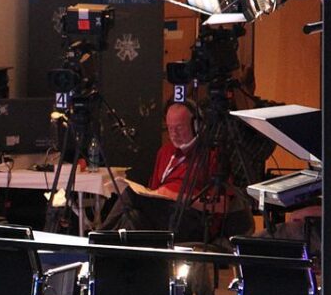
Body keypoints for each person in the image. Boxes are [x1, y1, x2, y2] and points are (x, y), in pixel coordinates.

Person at [100, 100, 253, 244]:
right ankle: (112, 258)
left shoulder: (212, 155)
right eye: (170, 128)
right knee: (131, 219)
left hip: (192, 220)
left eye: (179, 128)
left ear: (196, 125)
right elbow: (153, 190)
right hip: (163, 215)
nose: (174, 134)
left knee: (129, 195)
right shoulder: (165, 152)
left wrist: (177, 197)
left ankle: (97, 240)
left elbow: (222, 205)